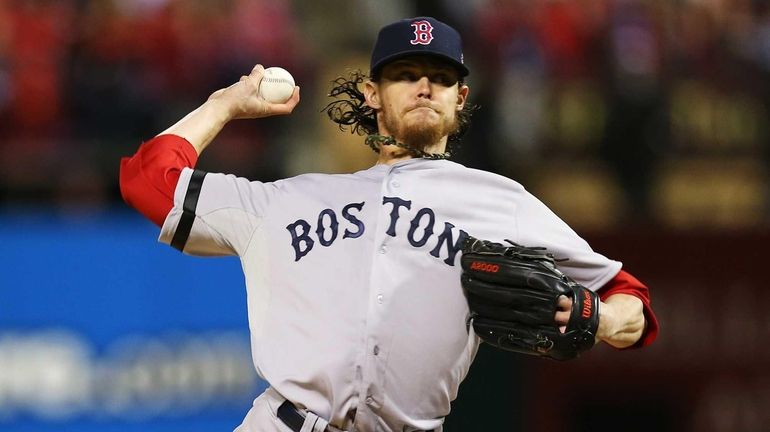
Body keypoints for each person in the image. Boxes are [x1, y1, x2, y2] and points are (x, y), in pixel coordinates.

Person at [120, 16, 658, 432]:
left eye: (441, 78)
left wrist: (606, 320)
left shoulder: (500, 202)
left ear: (460, 99)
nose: (424, 86)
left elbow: (629, 297)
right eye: (405, 75)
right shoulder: (285, 201)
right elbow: (148, 183)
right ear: (372, 95)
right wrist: (225, 104)